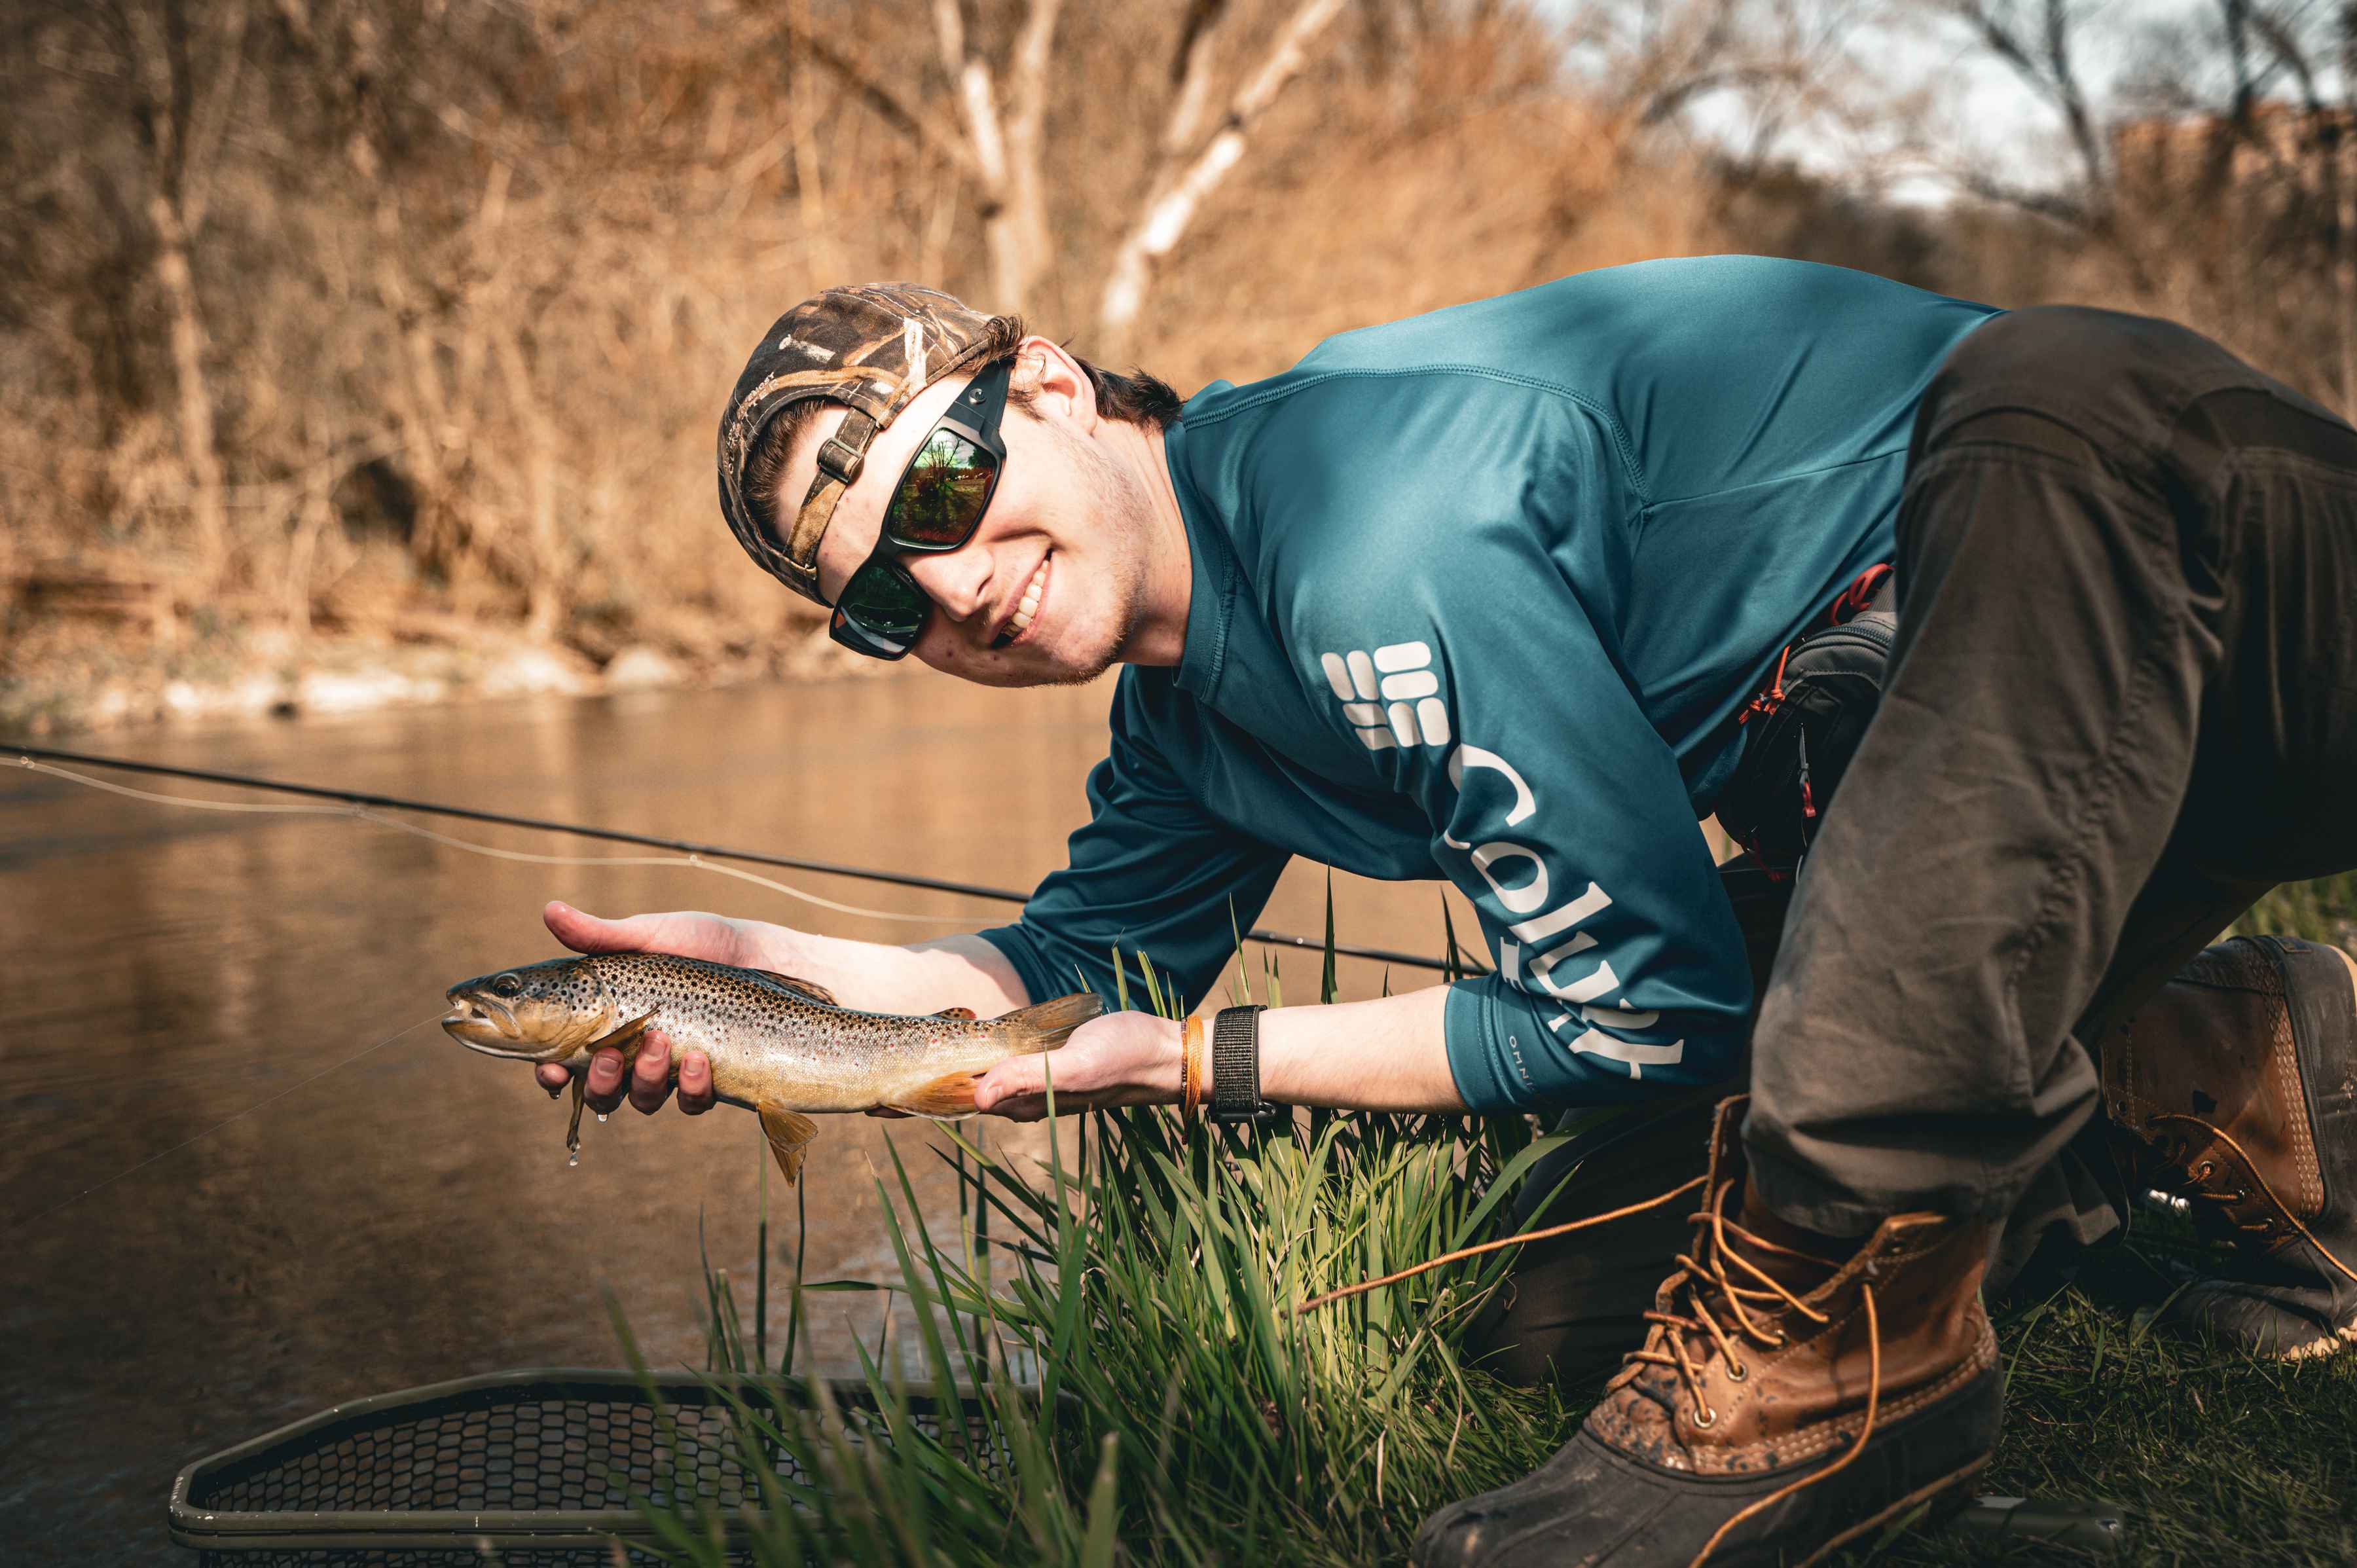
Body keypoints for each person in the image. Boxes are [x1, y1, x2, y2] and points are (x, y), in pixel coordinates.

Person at [532, 263, 2357, 1564]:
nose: (951, 589)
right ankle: (2224, 1055)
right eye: (881, 607)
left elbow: (1644, 1005)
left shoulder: (1361, 534)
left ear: (1059, 390)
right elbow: (1056, 972)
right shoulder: (1185, 713)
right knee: (1539, 1289)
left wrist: (1189, 1060)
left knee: (1791, 1089)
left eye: (941, 488)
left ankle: (1839, 1384)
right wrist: (787, 986)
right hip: (2001, 776)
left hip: (2146, 509)